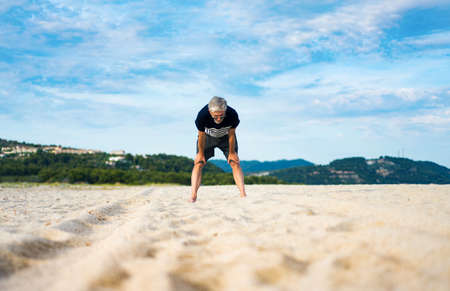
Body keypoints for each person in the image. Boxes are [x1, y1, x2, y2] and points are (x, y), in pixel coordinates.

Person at [190, 96, 247, 202]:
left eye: (222, 115)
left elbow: (231, 134)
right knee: (199, 163)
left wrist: (232, 152)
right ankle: (193, 195)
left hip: (226, 137)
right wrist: (201, 153)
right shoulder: (202, 115)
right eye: (216, 116)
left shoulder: (232, 114)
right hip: (207, 137)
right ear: (210, 111)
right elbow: (201, 135)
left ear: (225, 110)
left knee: (234, 162)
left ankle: (243, 194)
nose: (219, 119)